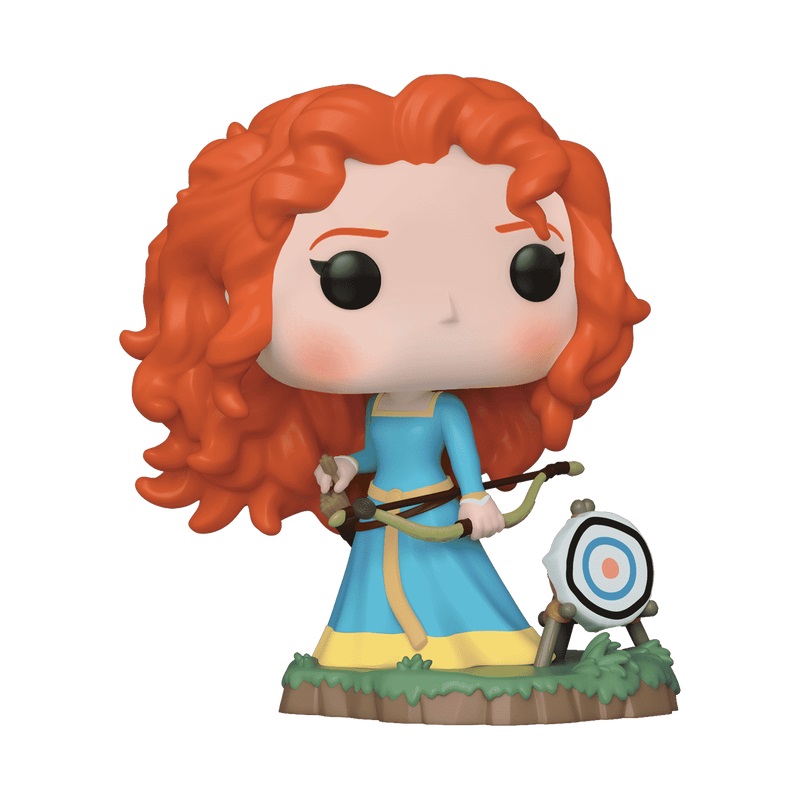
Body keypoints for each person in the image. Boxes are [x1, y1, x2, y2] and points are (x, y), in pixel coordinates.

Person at [121, 75, 649, 671]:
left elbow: (463, 459)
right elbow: (373, 450)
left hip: (433, 512)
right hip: (388, 513)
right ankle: (370, 657)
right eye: (352, 277)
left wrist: (475, 499)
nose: (446, 310)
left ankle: (477, 651)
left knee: (452, 585)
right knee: (378, 592)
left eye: (531, 269)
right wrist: (349, 465)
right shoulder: (378, 406)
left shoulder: (446, 409)